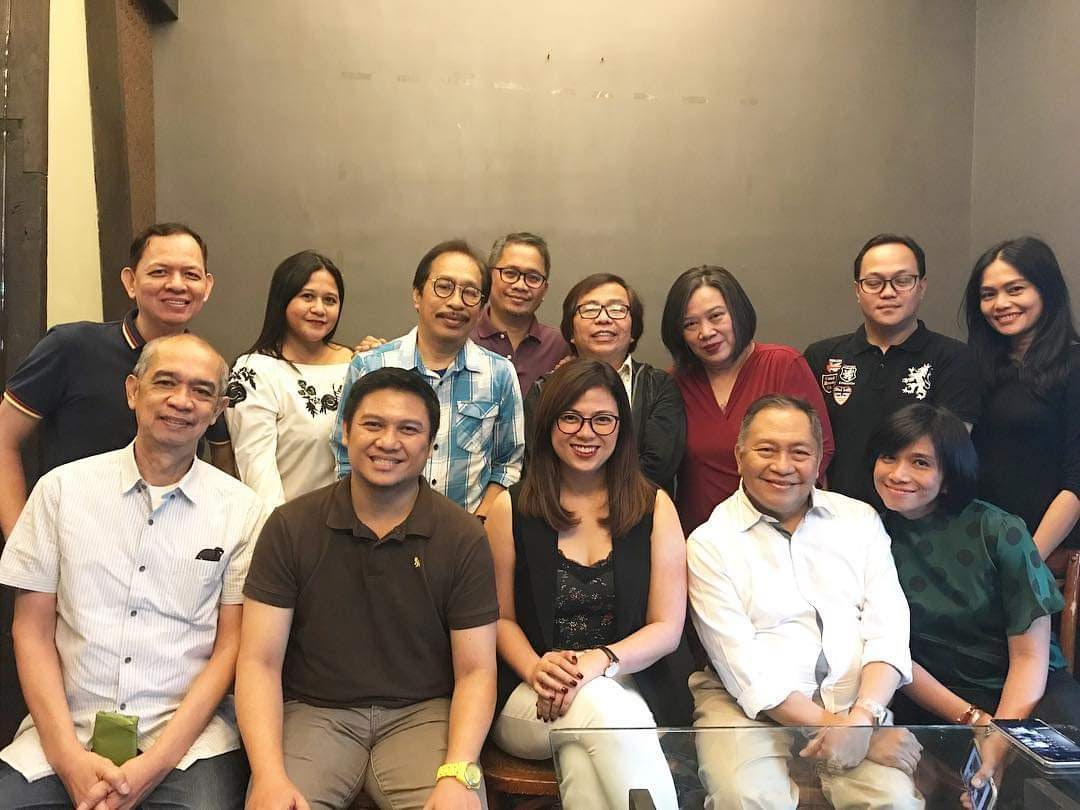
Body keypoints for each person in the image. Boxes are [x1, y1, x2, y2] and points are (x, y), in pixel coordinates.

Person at [0, 334, 269, 809]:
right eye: (165, 382)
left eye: (201, 391)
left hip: (187, 744)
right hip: (66, 730)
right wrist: (68, 759)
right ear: (132, 391)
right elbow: (31, 631)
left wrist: (153, 766)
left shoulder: (243, 511)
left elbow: (231, 647)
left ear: (217, 410)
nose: (181, 400)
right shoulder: (60, 491)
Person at [238, 367, 497, 810]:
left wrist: (459, 770)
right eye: (373, 424)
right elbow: (258, 662)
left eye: (408, 429)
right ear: (345, 431)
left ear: (430, 443)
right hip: (315, 712)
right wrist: (267, 775)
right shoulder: (290, 526)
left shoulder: (462, 536)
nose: (388, 442)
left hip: (423, 714)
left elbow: (476, 670)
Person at [688, 394, 921, 810]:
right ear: (739, 457)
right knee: (747, 797)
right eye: (766, 450)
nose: (783, 466)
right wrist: (858, 737)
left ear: (818, 461)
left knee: (895, 802)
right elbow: (745, 670)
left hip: (855, 701)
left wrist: (864, 718)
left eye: (799, 452)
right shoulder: (709, 543)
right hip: (744, 706)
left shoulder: (860, 520)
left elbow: (888, 630)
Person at [487, 360, 693, 810]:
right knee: (601, 706)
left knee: (583, 758)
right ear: (549, 422)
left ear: (622, 427)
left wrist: (599, 660)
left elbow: (666, 628)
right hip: (530, 694)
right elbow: (498, 620)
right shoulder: (511, 508)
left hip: (627, 683)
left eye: (603, 419)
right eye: (571, 417)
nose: (587, 432)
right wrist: (536, 669)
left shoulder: (654, 506)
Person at [872, 403, 1080, 793]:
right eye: (888, 457)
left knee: (1064, 771)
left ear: (949, 476)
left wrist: (1001, 733)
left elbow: (1030, 656)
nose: (898, 474)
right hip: (934, 699)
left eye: (920, 462)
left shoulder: (999, 530)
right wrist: (974, 720)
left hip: (1028, 689)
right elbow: (892, 655)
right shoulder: (869, 538)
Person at [0, 222, 227, 538]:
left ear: (207, 286)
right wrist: (22, 543)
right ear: (131, 281)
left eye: (190, 274)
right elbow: (4, 438)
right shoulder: (71, 347)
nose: (177, 285)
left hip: (168, 545)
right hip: (72, 539)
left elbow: (222, 464)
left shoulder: (206, 369)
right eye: (159, 272)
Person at [332, 239, 524, 518]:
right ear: (417, 295)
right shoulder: (370, 366)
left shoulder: (500, 374)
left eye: (470, 293)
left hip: (466, 533)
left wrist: (478, 525)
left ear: (482, 307)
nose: (456, 302)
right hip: (376, 530)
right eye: (444, 287)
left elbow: (507, 463)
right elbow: (344, 454)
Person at [804, 233, 981, 507]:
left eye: (902, 280)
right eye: (873, 282)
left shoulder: (954, 359)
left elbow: (948, 452)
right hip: (836, 518)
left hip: (920, 519)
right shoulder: (822, 357)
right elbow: (806, 444)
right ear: (857, 290)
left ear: (922, 286)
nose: (888, 292)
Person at [662, 266, 834, 534]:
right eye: (690, 324)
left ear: (737, 313)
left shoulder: (783, 365)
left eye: (716, 316)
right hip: (700, 537)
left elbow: (821, 448)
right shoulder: (673, 383)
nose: (705, 332)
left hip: (779, 532)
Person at [964, 236, 1080, 556]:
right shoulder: (973, 367)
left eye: (1015, 289)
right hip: (979, 547)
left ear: (1046, 290)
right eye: (988, 294)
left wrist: (1027, 560)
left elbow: (1076, 482)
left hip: (1048, 552)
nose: (1000, 304)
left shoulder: (1074, 365)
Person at [525, 273, 686, 495]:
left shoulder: (659, 387)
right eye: (590, 309)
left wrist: (597, 499)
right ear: (571, 333)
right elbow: (538, 463)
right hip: (559, 510)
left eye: (617, 309)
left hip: (642, 511)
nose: (603, 319)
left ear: (633, 330)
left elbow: (659, 466)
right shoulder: (543, 390)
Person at [225, 250, 353, 507]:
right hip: (288, 521)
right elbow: (257, 471)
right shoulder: (254, 371)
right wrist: (281, 527)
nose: (319, 309)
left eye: (330, 300)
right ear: (282, 299)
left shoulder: (356, 365)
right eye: (307, 296)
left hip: (353, 521)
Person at [472, 232, 571, 394]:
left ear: (544, 289)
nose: (520, 286)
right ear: (488, 278)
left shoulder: (561, 347)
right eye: (510, 273)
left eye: (533, 277)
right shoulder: (462, 338)